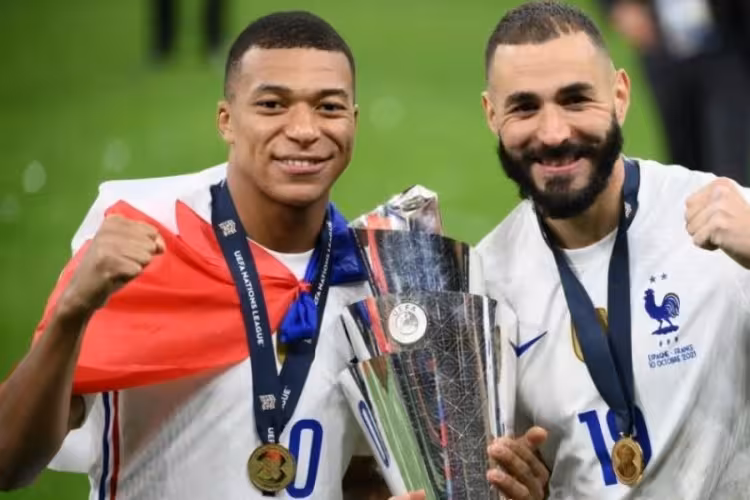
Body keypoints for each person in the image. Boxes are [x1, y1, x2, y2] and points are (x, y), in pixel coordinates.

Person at [0, 10, 400, 500]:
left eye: (329, 107)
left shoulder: (370, 281)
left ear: (353, 121)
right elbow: (8, 462)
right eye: (272, 104)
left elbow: (358, 475)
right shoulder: (147, 238)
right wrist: (71, 313)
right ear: (226, 121)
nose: (303, 128)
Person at [477, 1, 750, 499]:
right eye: (524, 107)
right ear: (492, 114)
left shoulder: (730, 220)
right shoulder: (483, 288)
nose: (554, 133)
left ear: (620, 96)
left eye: (576, 99)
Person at [596, 0, 750, 184]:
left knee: (729, 160)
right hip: (662, 47)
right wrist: (619, 7)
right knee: (685, 164)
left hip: (728, 43)